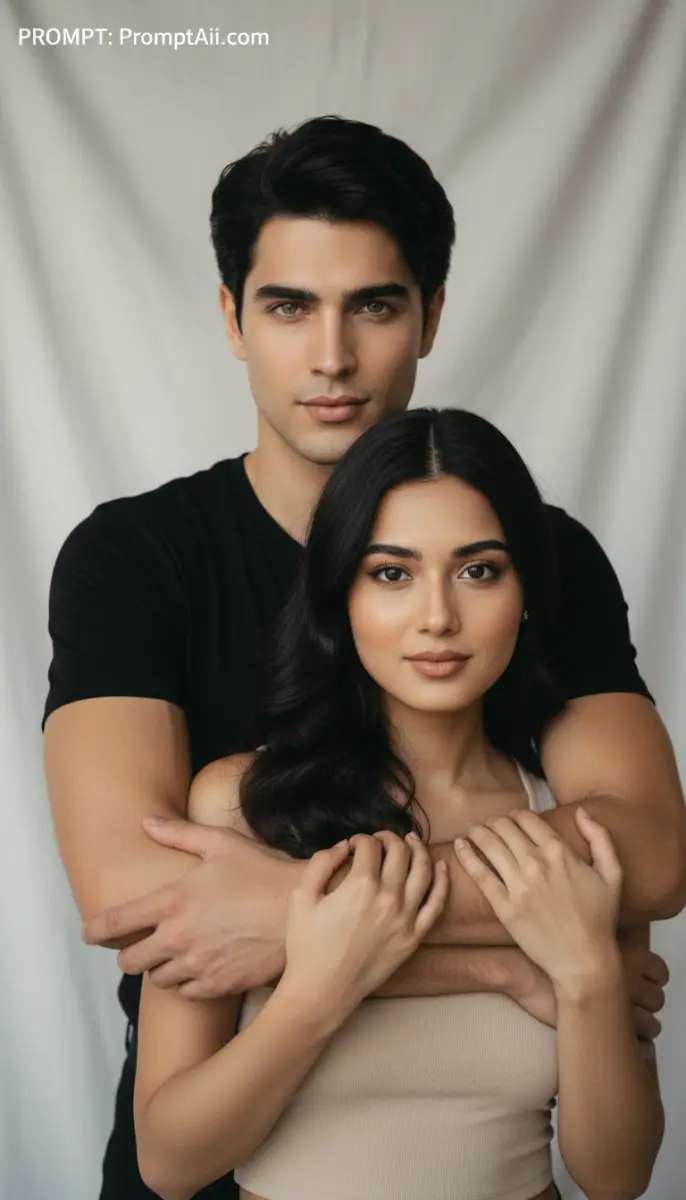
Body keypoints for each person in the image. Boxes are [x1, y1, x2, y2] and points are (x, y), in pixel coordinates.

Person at [42, 117, 682, 1200]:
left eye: (373, 305)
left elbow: (651, 853)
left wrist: (292, 908)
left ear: (430, 315)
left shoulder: (538, 551)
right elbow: (144, 899)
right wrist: (506, 956)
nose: (330, 357)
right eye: (289, 307)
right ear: (232, 320)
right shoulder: (135, 556)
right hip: (208, 1147)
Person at [132, 407, 665, 1200]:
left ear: (526, 592)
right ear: (339, 595)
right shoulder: (240, 810)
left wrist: (585, 979)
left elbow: (617, 1177)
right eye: (391, 572)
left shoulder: (573, 830)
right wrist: (322, 987)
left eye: (479, 569)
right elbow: (170, 1164)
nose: (438, 617)